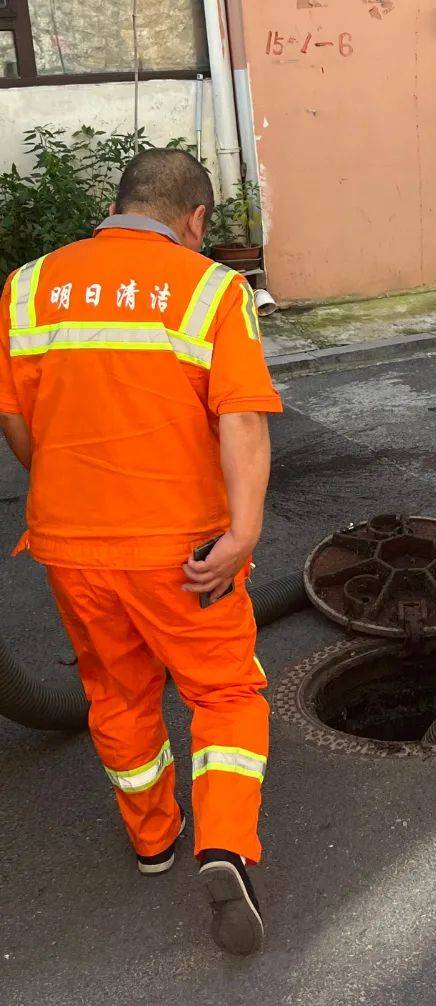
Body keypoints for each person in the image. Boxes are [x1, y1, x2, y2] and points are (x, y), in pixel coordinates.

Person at [0, 149, 282, 954]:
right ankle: (223, 845)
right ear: (194, 220)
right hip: (181, 552)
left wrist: (65, 490)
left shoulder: (27, 286)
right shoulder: (213, 289)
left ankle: (153, 840)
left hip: (68, 546)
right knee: (225, 695)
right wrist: (243, 534)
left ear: (119, 202)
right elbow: (243, 419)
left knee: (116, 693)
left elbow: (16, 420)